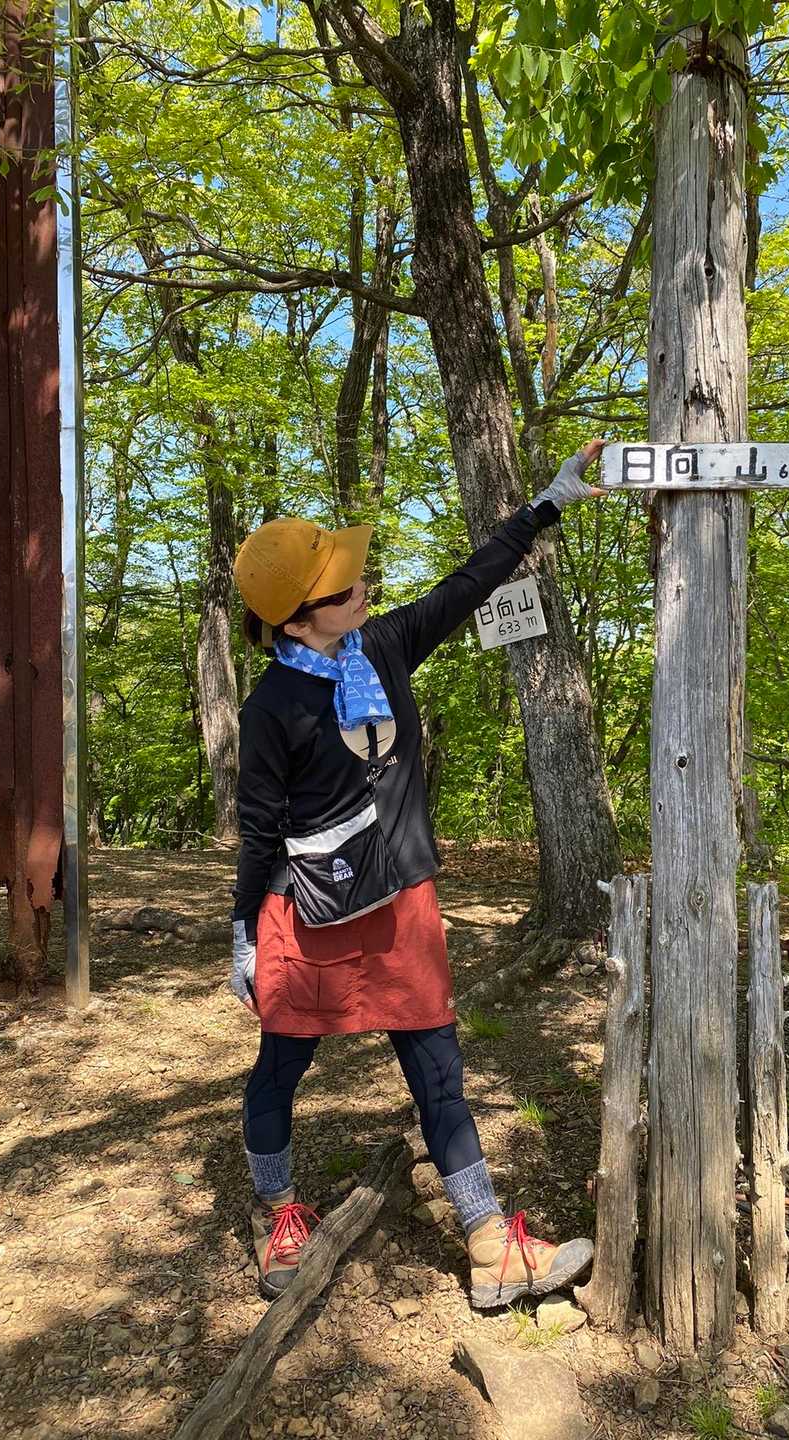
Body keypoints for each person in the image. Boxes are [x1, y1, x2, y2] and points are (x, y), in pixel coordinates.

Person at [229, 440, 607, 1306]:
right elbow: (258, 832)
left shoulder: (386, 644)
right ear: (296, 621)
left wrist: (547, 504)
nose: (361, 588)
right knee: (281, 1066)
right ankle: (277, 1209)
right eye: (340, 588)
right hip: (309, 911)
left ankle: (486, 1239)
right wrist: (244, 932)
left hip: (400, 897)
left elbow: (465, 586)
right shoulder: (271, 707)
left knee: (437, 1065)